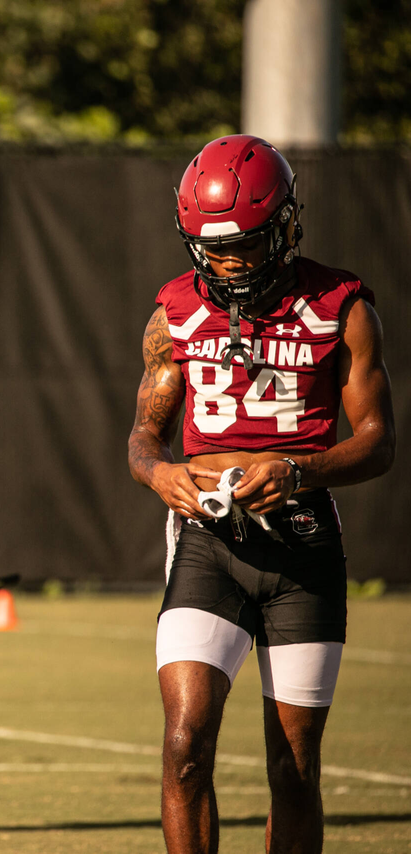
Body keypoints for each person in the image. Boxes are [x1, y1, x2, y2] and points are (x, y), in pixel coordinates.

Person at [127, 135, 394, 854]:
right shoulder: (173, 311)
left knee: (294, 766)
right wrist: (162, 475)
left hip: (302, 545)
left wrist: (302, 471)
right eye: (214, 246)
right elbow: (142, 439)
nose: (230, 260)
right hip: (208, 544)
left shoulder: (343, 304)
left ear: (286, 224)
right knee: (185, 743)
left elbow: (379, 441)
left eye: (247, 242)